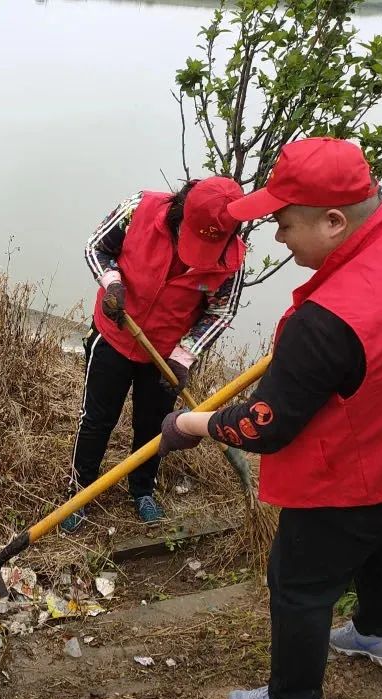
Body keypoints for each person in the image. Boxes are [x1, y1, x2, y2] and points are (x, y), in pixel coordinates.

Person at [159, 137, 382, 699]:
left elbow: (263, 425)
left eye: (285, 224)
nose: (279, 240)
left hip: (369, 480)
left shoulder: (327, 320)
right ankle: (376, 632)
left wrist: (190, 424)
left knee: (300, 582)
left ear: (334, 221)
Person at [64, 177, 247, 530]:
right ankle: (79, 491)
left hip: (164, 356)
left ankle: (142, 489)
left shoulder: (231, 258)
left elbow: (220, 312)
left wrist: (184, 355)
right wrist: (112, 282)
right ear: (181, 211)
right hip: (114, 334)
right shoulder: (141, 208)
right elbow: (96, 247)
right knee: (96, 419)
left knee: (152, 427)